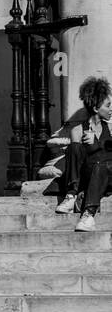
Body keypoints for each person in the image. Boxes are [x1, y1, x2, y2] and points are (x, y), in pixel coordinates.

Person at [56, 76, 112, 232]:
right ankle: (71, 195)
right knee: (73, 148)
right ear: (95, 108)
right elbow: (78, 160)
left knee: (101, 164)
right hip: (89, 175)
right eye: (107, 106)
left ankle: (88, 214)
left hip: (108, 174)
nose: (111, 109)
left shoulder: (111, 129)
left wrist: (97, 143)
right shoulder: (78, 131)